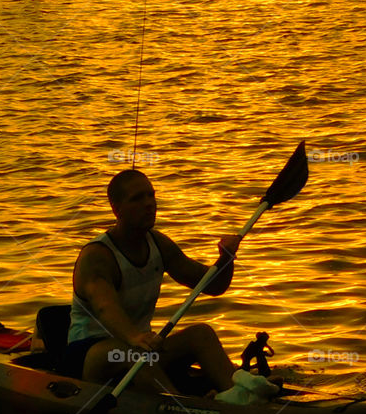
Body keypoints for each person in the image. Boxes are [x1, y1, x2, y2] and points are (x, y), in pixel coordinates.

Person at [61, 167, 241, 393]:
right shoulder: (97, 256)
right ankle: (183, 411)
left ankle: (239, 396)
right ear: (117, 210)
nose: (149, 203)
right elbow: (105, 306)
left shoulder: (158, 244)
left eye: (151, 195)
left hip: (141, 348)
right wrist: (135, 337)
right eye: (137, 198)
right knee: (132, 352)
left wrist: (226, 258)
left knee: (201, 334)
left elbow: (213, 285)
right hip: (90, 355)